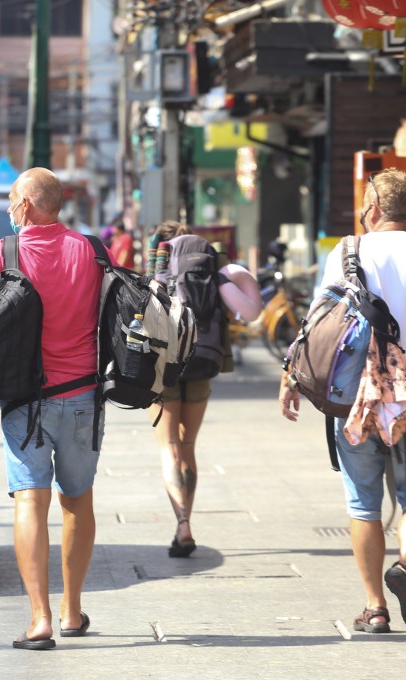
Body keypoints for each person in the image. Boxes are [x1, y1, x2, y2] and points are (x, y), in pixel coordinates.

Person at [279, 169, 406, 634]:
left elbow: (317, 324)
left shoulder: (347, 252)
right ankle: (405, 566)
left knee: (363, 505)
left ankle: (375, 607)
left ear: (372, 209)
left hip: (357, 405)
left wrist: (291, 376)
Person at [0, 167, 104, 651]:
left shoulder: (5, 252)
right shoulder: (93, 251)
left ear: (27, 205)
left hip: (25, 400)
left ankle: (40, 620)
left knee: (30, 502)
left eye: (12, 199)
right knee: (77, 500)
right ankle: (72, 610)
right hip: (83, 398)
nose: (8, 208)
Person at [146, 220, 235, 558]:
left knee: (169, 445)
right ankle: (186, 521)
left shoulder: (158, 270)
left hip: (163, 367)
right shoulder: (205, 268)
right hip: (202, 360)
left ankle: (182, 522)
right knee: (188, 445)